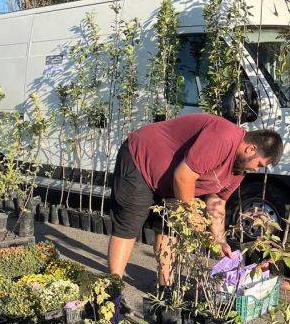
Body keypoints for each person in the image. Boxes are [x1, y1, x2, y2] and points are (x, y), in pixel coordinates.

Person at [108, 113, 283, 285]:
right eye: (259, 164)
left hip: (170, 182)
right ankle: (114, 290)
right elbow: (183, 176)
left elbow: (217, 204)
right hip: (142, 158)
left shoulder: (238, 171)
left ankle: (165, 287)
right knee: (129, 224)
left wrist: (220, 241)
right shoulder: (223, 137)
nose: (256, 169)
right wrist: (192, 217)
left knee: (169, 229)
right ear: (250, 149)